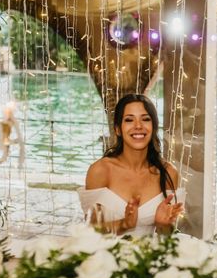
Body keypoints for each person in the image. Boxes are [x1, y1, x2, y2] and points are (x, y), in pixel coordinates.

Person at [79, 94, 184, 236]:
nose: (138, 126)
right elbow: (91, 230)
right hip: (106, 255)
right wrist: (124, 224)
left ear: (153, 127)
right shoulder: (101, 170)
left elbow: (166, 237)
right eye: (129, 120)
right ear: (117, 129)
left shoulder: (168, 173)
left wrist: (162, 225)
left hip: (149, 256)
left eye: (145, 119)